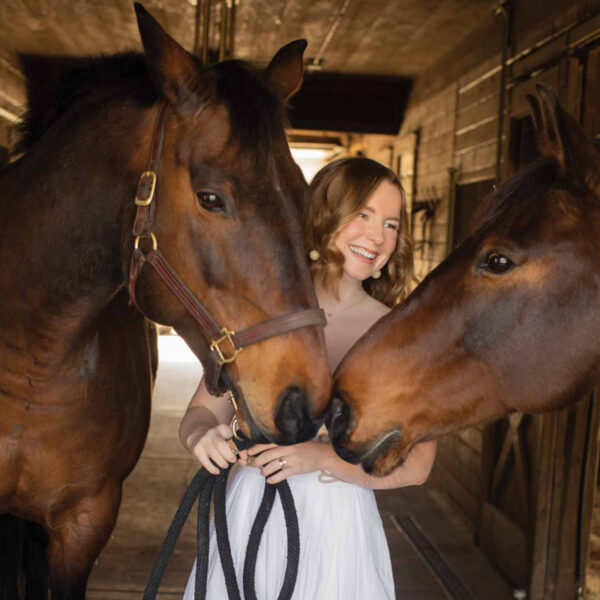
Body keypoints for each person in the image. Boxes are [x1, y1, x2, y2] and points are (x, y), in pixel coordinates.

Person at [179, 156, 437, 599]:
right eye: (363, 214)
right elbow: (202, 411)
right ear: (324, 214)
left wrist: (321, 460)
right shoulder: (261, 312)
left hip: (338, 528)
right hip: (247, 509)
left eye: (392, 224)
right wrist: (202, 437)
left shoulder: (401, 334)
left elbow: (417, 466)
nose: (378, 237)